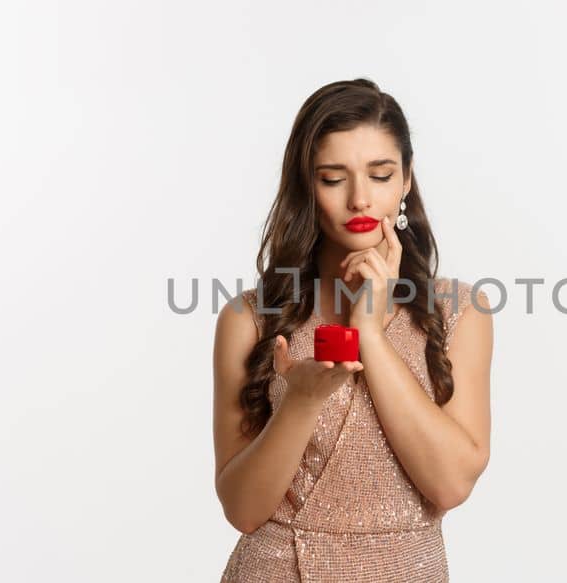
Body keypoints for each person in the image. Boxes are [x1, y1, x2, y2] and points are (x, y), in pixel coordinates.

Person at [211, 78, 494, 582]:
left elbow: (450, 484)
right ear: (307, 187)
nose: (360, 199)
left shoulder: (460, 311)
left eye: (380, 174)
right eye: (333, 178)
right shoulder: (250, 319)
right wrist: (300, 400)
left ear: (406, 180)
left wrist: (370, 330)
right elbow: (243, 510)